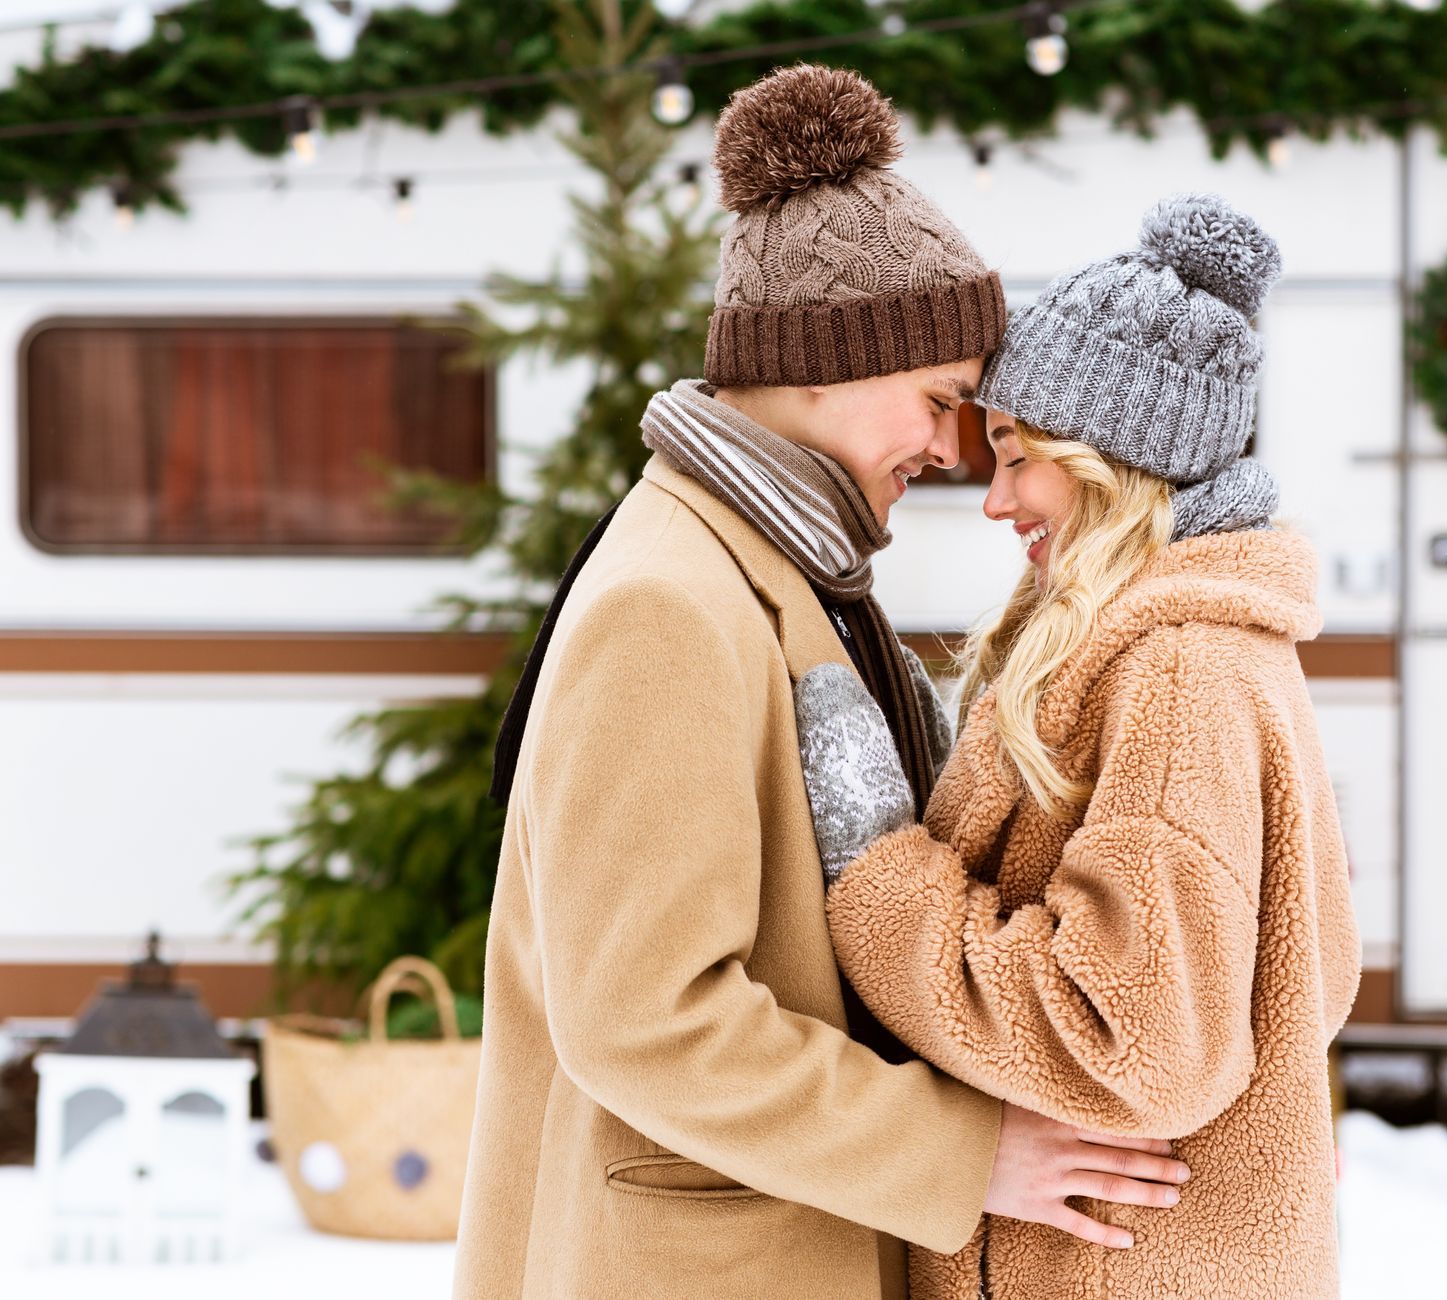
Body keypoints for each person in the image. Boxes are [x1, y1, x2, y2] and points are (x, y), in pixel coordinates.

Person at [453, 66, 1188, 1300]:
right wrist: (963, 1152)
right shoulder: (667, 604)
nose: (957, 450)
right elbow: (646, 1018)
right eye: (940, 399)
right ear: (824, 366)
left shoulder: (777, 564)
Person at [795, 194, 1363, 1299]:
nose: (997, 499)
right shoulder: (1182, 644)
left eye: (1017, 455)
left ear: (1109, 456)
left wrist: (882, 877)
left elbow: (1134, 1031)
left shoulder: (1179, 669)